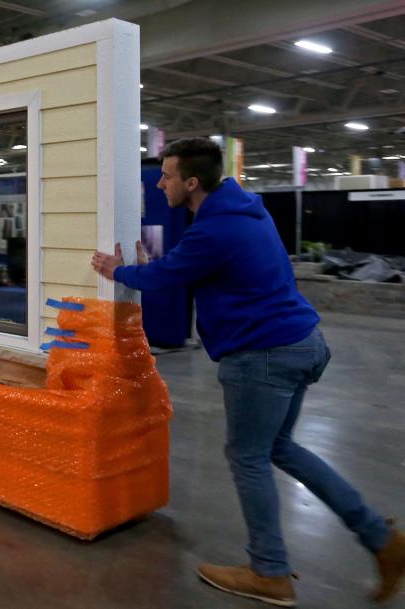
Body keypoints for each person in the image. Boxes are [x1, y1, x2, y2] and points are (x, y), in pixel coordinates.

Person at [91, 138, 404, 606]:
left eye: (167, 175)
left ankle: (270, 571)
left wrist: (118, 271)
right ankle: (379, 537)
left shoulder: (214, 230)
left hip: (264, 355)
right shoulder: (242, 212)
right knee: (279, 448)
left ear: (191, 183)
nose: (160, 183)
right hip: (303, 342)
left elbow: (165, 278)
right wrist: (155, 268)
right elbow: (189, 270)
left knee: (248, 457)